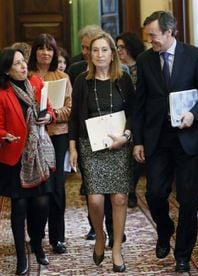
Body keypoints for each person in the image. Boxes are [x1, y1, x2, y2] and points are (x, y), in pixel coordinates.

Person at [132, 11, 198, 273]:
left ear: (169, 33)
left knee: (188, 199)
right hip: (157, 138)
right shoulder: (146, 60)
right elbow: (139, 104)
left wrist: (195, 114)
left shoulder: (194, 56)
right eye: (148, 36)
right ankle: (164, 229)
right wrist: (137, 141)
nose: (150, 41)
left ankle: (183, 254)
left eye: (154, 36)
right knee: (154, 193)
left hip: (186, 137)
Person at [68, 31, 134, 273]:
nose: (99, 54)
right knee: (95, 199)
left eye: (104, 49)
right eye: (95, 50)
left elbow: (135, 113)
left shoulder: (123, 79)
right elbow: (75, 117)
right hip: (90, 146)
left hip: (119, 146)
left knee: (119, 197)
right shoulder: (82, 81)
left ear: (112, 53)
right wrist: (72, 147)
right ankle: (99, 235)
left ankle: (116, 249)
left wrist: (126, 137)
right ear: (90, 54)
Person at [0, 47, 56, 275]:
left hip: (39, 154)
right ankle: (21, 257)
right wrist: (3, 135)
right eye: (17, 64)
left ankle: (37, 243)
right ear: (7, 70)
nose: (23, 66)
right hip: (15, 157)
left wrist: (49, 116)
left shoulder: (37, 84)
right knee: (19, 207)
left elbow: (50, 111)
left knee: (42, 205)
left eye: (23, 62)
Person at [27, 33, 72, 255]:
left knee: (56, 187)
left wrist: (51, 117)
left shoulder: (62, 76)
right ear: (34, 51)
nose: (45, 53)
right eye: (41, 48)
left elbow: (69, 109)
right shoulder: (26, 77)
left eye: (50, 49)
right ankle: (35, 234)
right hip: (32, 137)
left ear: (54, 53)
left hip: (57, 135)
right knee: (35, 186)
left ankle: (58, 238)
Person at [115, 31, 145, 208]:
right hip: (122, 116)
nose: (119, 51)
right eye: (117, 47)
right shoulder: (116, 69)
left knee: (137, 156)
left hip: (140, 116)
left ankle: (131, 190)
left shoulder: (142, 65)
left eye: (122, 47)